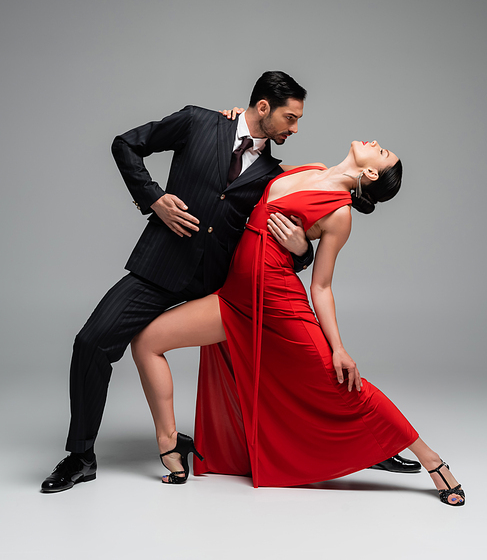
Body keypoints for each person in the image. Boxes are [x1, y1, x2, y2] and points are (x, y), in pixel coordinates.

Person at [131, 140, 465, 506]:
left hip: (279, 304)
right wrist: (229, 118)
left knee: (341, 383)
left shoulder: (340, 215)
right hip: (235, 298)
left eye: (382, 153)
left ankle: (431, 461)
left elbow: (321, 287)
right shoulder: (311, 168)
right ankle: (170, 445)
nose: (376, 144)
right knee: (146, 341)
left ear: (371, 174)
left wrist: (339, 348)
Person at [41, 71, 314, 493]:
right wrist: (153, 197)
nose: (295, 128)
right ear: (264, 107)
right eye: (291, 118)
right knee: (91, 343)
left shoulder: (274, 175)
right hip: (161, 268)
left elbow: (289, 237)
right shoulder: (199, 121)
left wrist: (301, 250)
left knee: (293, 363)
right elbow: (126, 144)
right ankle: (81, 456)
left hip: (219, 288)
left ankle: (356, 445)